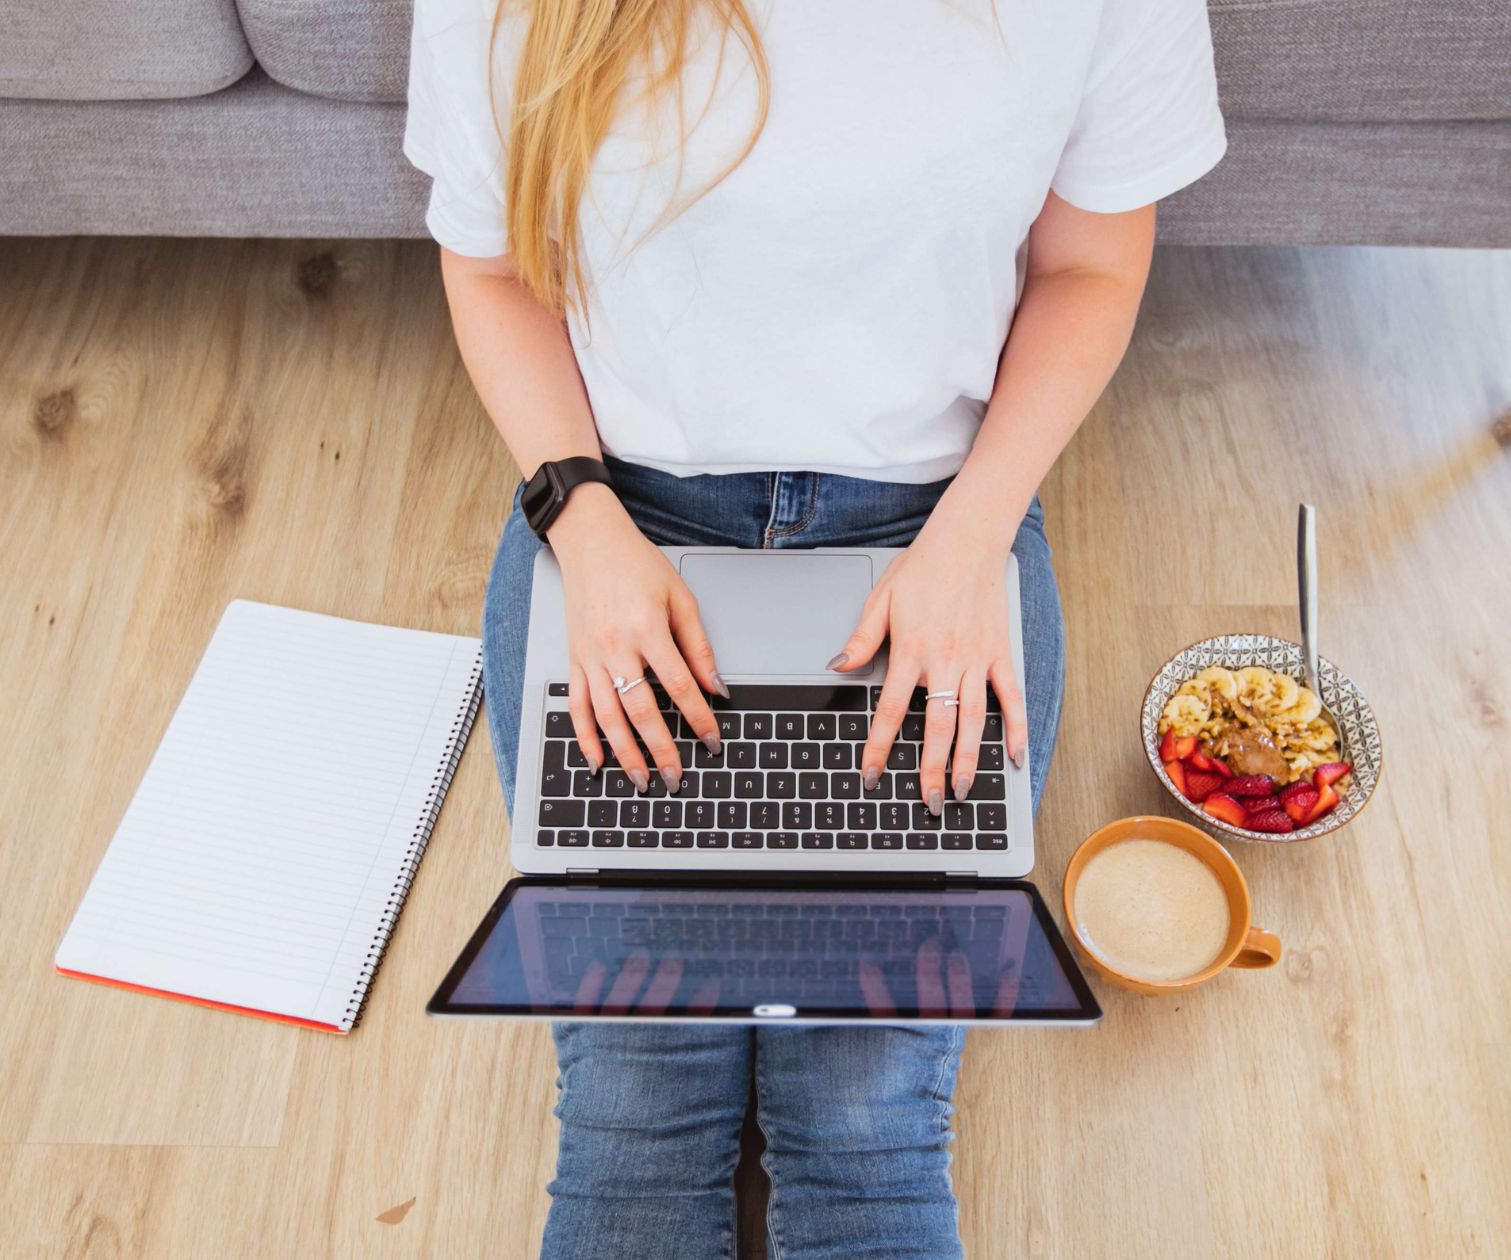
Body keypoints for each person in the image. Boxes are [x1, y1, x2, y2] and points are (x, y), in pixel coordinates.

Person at [405, 0, 1223, 1254]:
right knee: (635, 1098)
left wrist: (969, 541)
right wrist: (584, 529)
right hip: (619, 513)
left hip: (933, 524)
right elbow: (493, 268)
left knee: (862, 1119)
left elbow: (1089, 268)